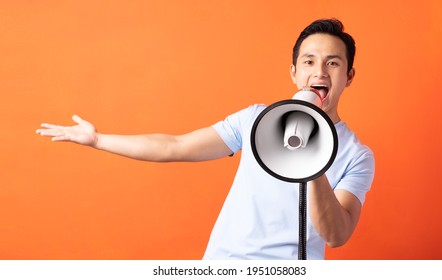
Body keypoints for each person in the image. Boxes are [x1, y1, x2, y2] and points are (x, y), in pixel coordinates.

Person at [36, 18, 375, 260]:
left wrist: (312, 161)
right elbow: (175, 146)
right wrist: (98, 140)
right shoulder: (255, 119)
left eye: (332, 63)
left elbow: (337, 235)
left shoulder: (356, 155)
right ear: (294, 72)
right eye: (309, 61)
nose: (319, 72)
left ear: (348, 76)